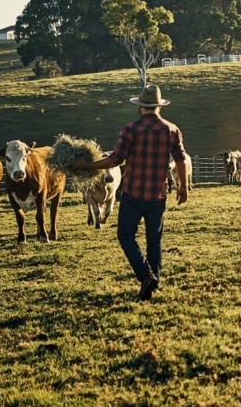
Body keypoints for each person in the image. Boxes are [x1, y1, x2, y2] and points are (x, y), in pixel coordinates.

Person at [73, 84, 189, 300]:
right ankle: (152, 284)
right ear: (159, 107)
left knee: (125, 235)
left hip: (133, 193)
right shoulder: (171, 129)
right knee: (154, 239)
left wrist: (86, 166)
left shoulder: (131, 129)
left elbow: (115, 160)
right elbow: (181, 159)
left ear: (140, 107)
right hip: (158, 194)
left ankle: (146, 276)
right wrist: (183, 186)